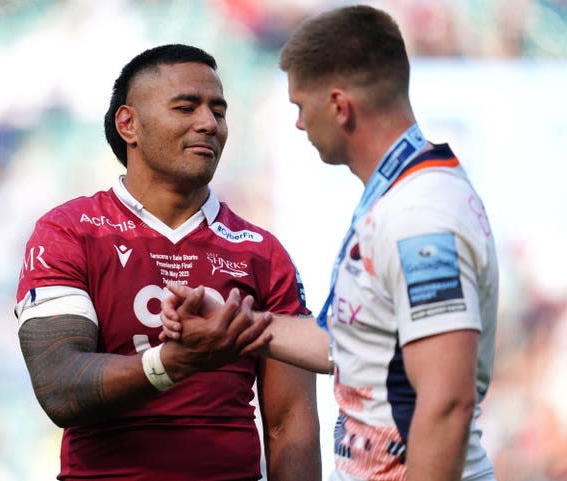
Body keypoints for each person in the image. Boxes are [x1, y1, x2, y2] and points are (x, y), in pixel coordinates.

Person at [161, 6, 499, 481]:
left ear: (340, 107)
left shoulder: (421, 214)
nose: (299, 124)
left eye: (301, 106)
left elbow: (447, 402)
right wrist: (237, 327)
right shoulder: (395, 196)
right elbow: (352, 345)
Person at [14, 44, 321, 481]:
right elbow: (59, 387)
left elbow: (289, 424)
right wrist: (173, 362)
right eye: (186, 107)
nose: (208, 123)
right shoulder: (70, 231)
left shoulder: (262, 253)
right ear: (129, 123)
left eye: (219, 110)